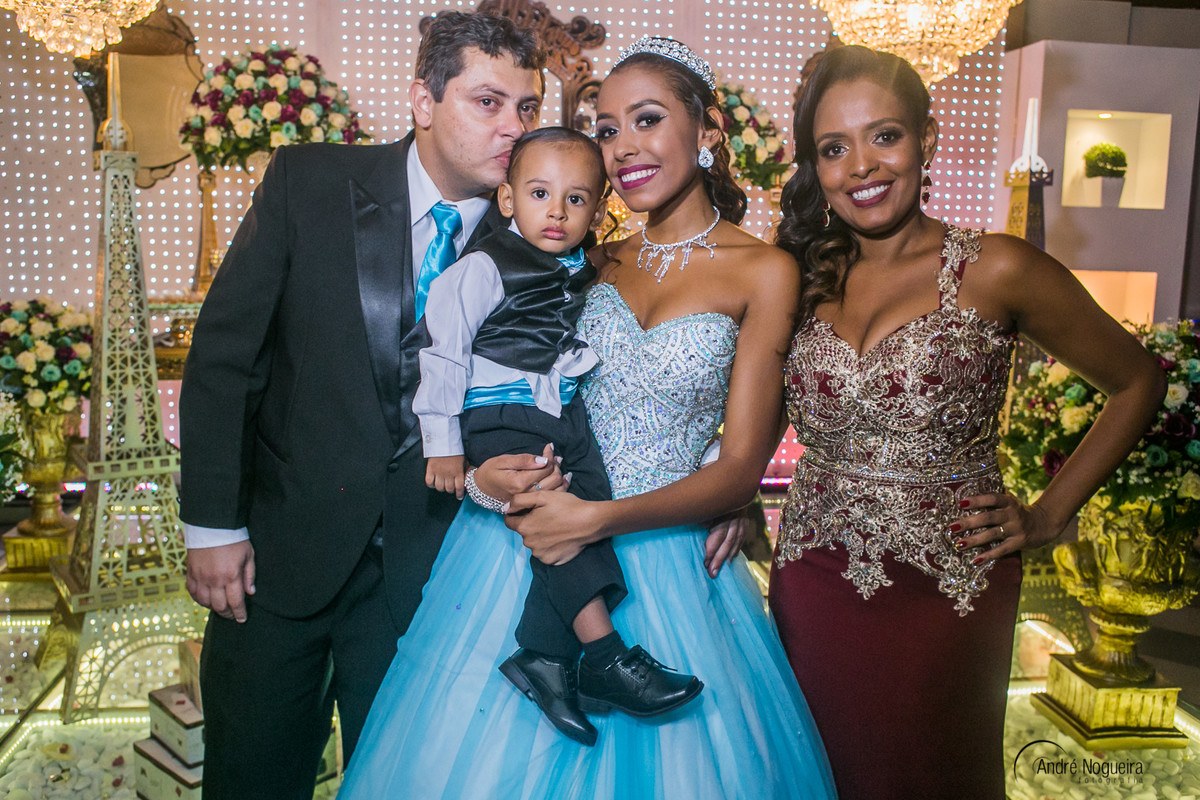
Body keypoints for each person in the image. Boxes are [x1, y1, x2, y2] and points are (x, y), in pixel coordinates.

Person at [337, 37, 835, 799]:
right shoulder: (586, 261)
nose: (623, 147)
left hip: (660, 548)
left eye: (645, 120)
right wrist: (475, 477)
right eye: (606, 129)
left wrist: (712, 495)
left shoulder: (765, 270)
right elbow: (491, 380)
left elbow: (742, 461)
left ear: (707, 134)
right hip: (524, 540)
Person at [178, 13, 558, 799]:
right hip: (277, 560)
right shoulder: (308, 183)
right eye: (489, 103)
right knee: (252, 776)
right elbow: (225, 359)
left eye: (528, 108)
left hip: (431, 577)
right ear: (423, 99)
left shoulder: (538, 244)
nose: (514, 129)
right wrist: (213, 526)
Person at [770, 45, 1166, 799]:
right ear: (815, 167)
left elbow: (1137, 381)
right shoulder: (802, 273)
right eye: (833, 148)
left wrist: (1050, 515)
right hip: (814, 578)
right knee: (814, 770)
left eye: (884, 135)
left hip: (947, 585)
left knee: (930, 771)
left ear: (927, 139)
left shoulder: (999, 267)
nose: (861, 165)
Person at [415, 126, 703, 748]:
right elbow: (443, 352)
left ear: (599, 209)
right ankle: (602, 652)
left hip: (559, 409)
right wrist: (443, 444)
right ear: (508, 199)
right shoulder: (484, 267)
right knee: (556, 511)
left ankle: (544, 655)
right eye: (541, 193)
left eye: (576, 200)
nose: (557, 211)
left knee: (591, 503)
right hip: (499, 412)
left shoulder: (586, 264)